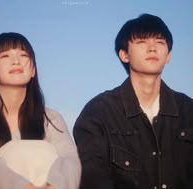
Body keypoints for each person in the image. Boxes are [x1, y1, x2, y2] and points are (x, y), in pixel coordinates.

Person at [73, 13, 193, 189]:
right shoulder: (99, 112)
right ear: (124, 55)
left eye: (160, 42)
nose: (152, 48)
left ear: (168, 56)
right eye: (142, 42)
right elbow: (93, 178)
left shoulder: (188, 111)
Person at [0, 32, 81, 189]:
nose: (16, 61)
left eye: (23, 55)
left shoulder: (51, 118)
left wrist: (55, 185)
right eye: (5, 56)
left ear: (33, 71)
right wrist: (23, 186)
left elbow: (71, 158)